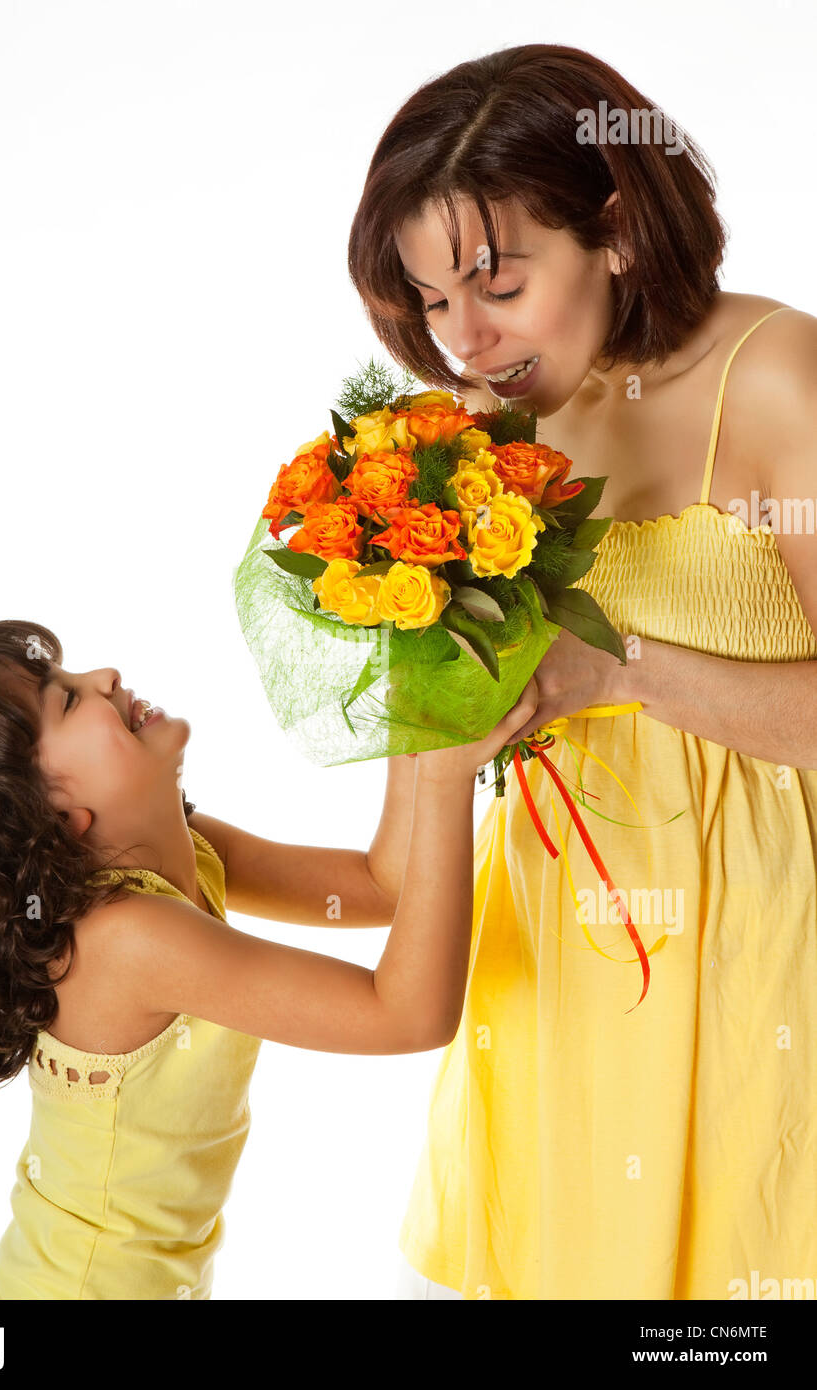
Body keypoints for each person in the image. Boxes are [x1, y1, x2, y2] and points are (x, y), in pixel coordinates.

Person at [348, 42, 817, 1299]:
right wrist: (174, 861)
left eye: (494, 280)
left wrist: (621, 674)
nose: (464, 338)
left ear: (612, 224)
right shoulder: (483, 452)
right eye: (431, 301)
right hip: (558, 981)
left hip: (768, 968)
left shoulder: (772, 377)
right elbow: (400, 859)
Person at [0, 618, 530, 1300]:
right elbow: (410, 1015)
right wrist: (451, 773)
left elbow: (381, 886)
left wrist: (417, 701)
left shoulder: (181, 853)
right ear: (57, 816)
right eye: (68, 699)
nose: (106, 679)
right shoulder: (125, 941)